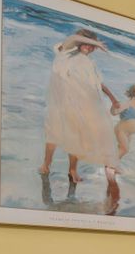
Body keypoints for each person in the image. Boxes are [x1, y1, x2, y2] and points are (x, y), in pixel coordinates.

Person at [38, 29, 119, 183]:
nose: (90, 47)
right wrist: (96, 42)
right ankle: (46, 165)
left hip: (80, 104)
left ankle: (72, 170)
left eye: (92, 46)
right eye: (86, 43)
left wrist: (112, 98)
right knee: (53, 133)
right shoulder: (66, 53)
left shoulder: (89, 63)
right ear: (80, 43)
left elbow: (98, 83)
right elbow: (72, 38)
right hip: (61, 102)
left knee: (76, 137)